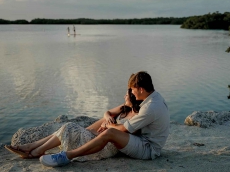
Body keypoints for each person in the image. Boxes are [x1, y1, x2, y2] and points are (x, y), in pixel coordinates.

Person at [39, 71, 170, 167]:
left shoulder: (150, 107)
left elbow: (124, 129)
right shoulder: (155, 97)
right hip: (144, 141)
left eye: (133, 90)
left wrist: (107, 126)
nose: (132, 94)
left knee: (111, 132)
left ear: (141, 89)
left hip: (148, 149)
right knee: (107, 128)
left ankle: (67, 156)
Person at [5, 87, 142, 161]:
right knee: (67, 127)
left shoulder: (137, 117)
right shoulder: (124, 108)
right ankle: (33, 148)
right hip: (98, 137)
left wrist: (107, 126)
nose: (124, 97)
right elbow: (107, 112)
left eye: (127, 95)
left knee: (69, 126)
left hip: (107, 147)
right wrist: (107, 118)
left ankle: (34, 149)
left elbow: (122, 132)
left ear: (133, 97)